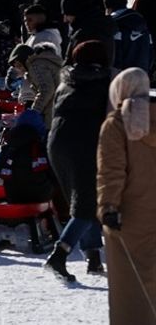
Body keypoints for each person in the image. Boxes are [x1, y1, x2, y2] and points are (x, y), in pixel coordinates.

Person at [45, 40, 112, 282]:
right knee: (87, 203)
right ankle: (59, 256)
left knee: (83, 199)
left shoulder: (67, 79)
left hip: (57, 143)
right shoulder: (106, 81)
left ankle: (93, 257)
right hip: (85, 144)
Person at [96, 68, 156, 325]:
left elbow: (112, 170)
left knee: (129, 289)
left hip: (128, 217)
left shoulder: (117, 123)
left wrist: (108, 206)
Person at [63, 0, 117, 67]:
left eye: (67, 14)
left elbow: (70, 65)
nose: (64, 19)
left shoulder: (83, 35)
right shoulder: (104, 27)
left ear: (77, 13)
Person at [106, 0, 153, 73]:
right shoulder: (142, 23)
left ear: (108, 7)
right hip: (143, 76)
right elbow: (151, 51)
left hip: (122, 78)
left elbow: (115, 56)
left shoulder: (113, 25)